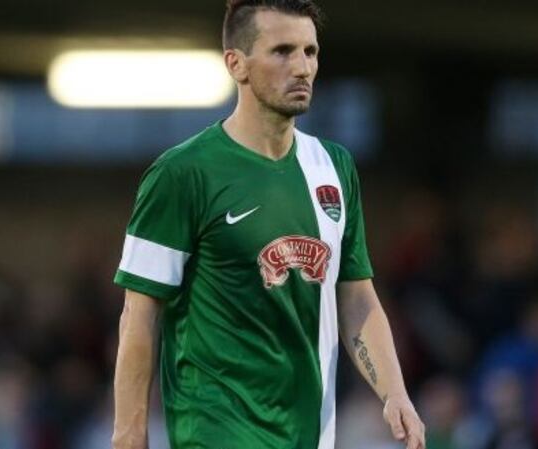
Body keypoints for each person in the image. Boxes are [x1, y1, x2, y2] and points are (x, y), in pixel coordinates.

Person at [110, 1, 425, 448]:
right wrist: (128, 434)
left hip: (310, 433)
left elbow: (355, 297)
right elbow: (139, 316)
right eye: (282, 51)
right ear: (236, 64)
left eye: (310, 52)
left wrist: (395, 393)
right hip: (215, 432)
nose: (302, 68)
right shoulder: (182, 174)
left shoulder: (334, 168)